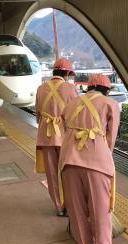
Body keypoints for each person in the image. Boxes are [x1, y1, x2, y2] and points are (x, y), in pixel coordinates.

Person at [58, 74, 122, 244]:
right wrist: (103, 153)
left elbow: (65, 129)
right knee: (100, 207)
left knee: (76, 208)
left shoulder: (71, 103)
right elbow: (111, 138)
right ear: (107, 90)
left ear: (88, 87)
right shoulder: (110, 104)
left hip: (69, 159)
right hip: (96, 161)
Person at [35, 58, 78, 216]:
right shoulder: (70, 89)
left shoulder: (41, 88)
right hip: (65, 136)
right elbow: (76, 114)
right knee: (68, 172)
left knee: (52, 173)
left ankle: (59, 207)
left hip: (46, 136)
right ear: (66, 73)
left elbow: (37, 114)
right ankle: (71, 204)